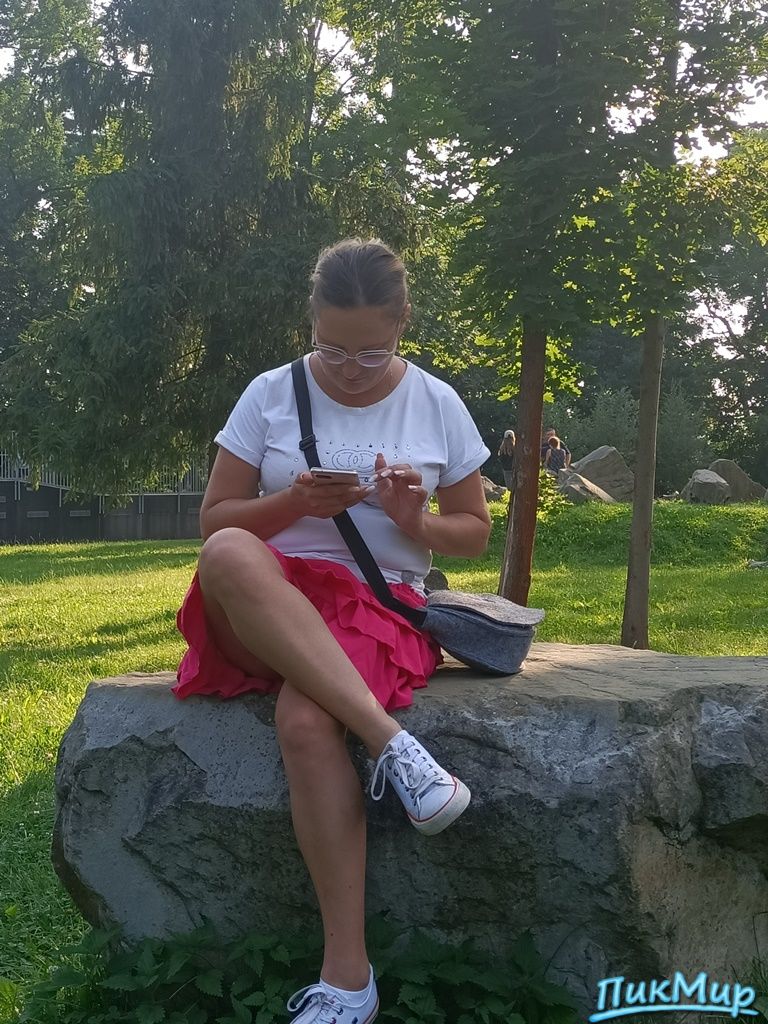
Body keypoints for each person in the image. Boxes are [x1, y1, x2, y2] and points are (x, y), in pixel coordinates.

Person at [172, 238, 491, 1024]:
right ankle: (394, 747)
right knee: (228, 551)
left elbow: (474, 532)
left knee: (308, 720)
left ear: (403, 320)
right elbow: (214, 519)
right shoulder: (269, 393)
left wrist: (415, 518)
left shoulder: (436, 402)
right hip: (268, 602)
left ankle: (348, 980)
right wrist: (295, 504)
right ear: (311, 320)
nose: (350, 369)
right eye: (332, 348)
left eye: (371, 352)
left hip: (376, 609)